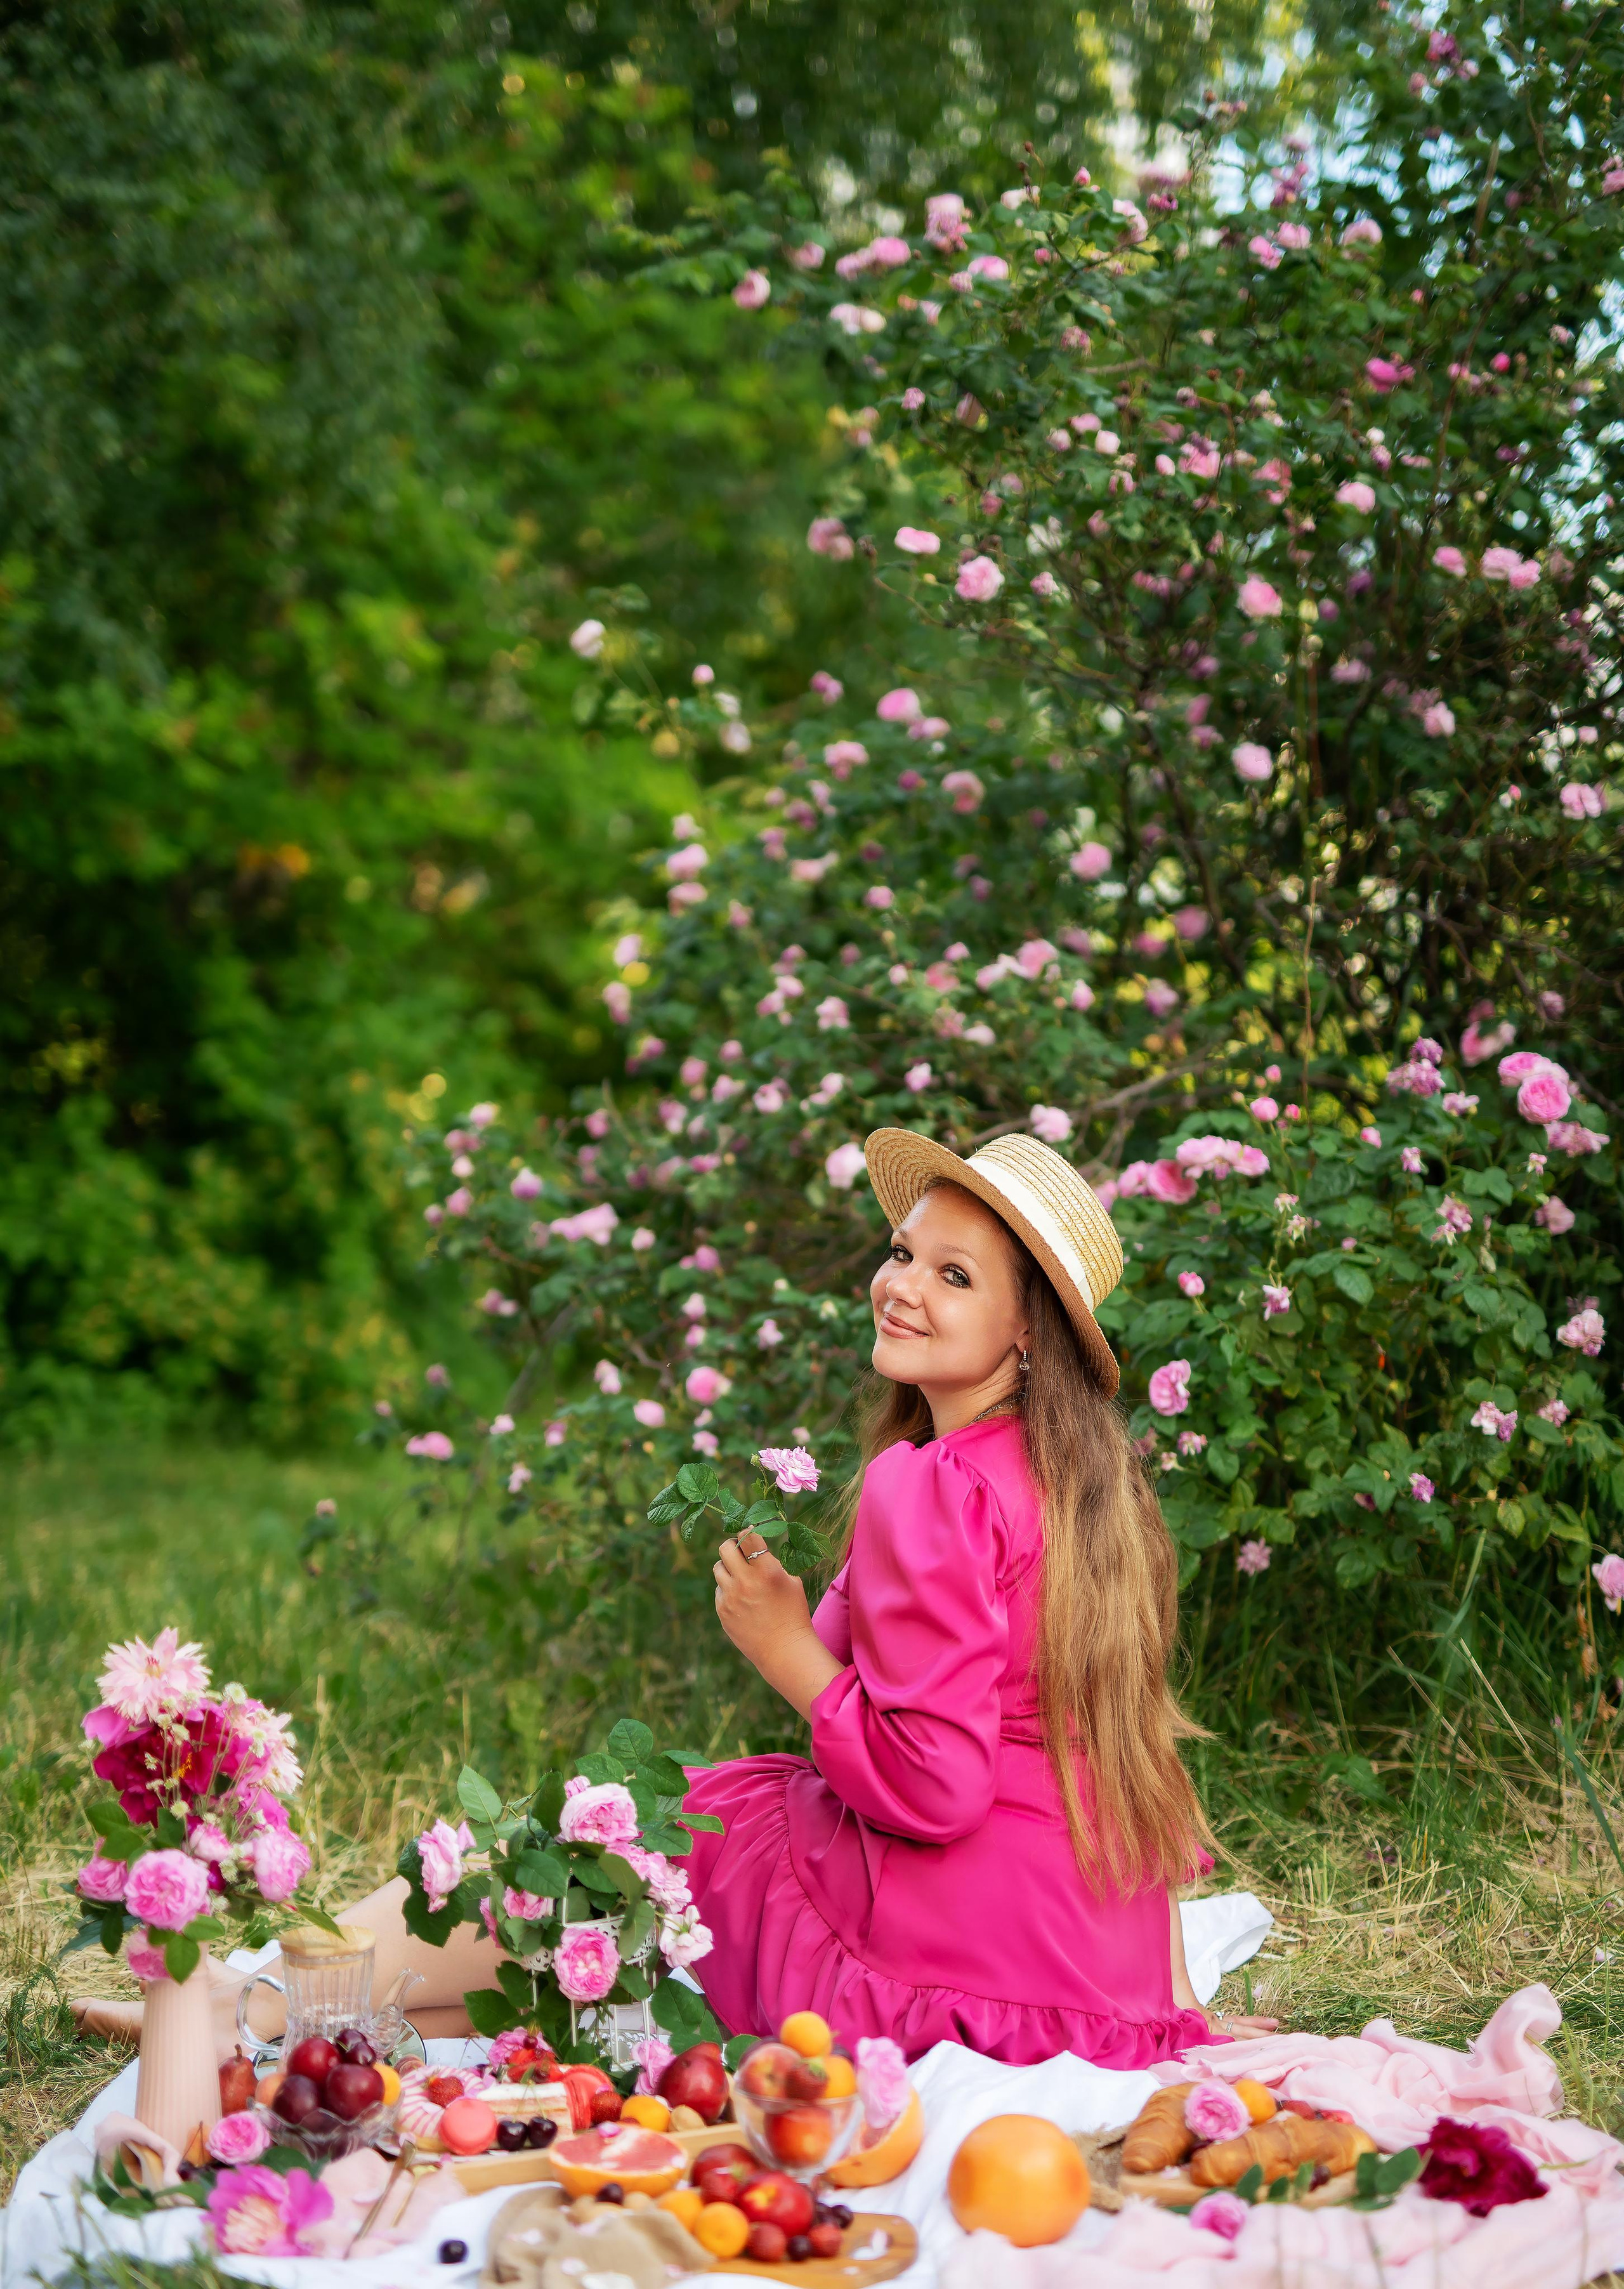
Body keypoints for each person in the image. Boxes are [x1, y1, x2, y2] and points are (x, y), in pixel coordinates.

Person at [74, 1127, 1273, 2066]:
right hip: (1076, 1954)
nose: (903, 1286)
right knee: (646, 1868)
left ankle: (262, 1999)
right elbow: (1113, 1757)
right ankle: (293, 2008)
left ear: (1029, 1337)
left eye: (954, 1276)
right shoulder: (1088, 1489)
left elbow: (938, 1784)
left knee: (641, 1827)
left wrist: (781, 1648)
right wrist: (1165, 2004)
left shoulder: (930, 1486)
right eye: (904, 1252)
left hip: (947, 1938)